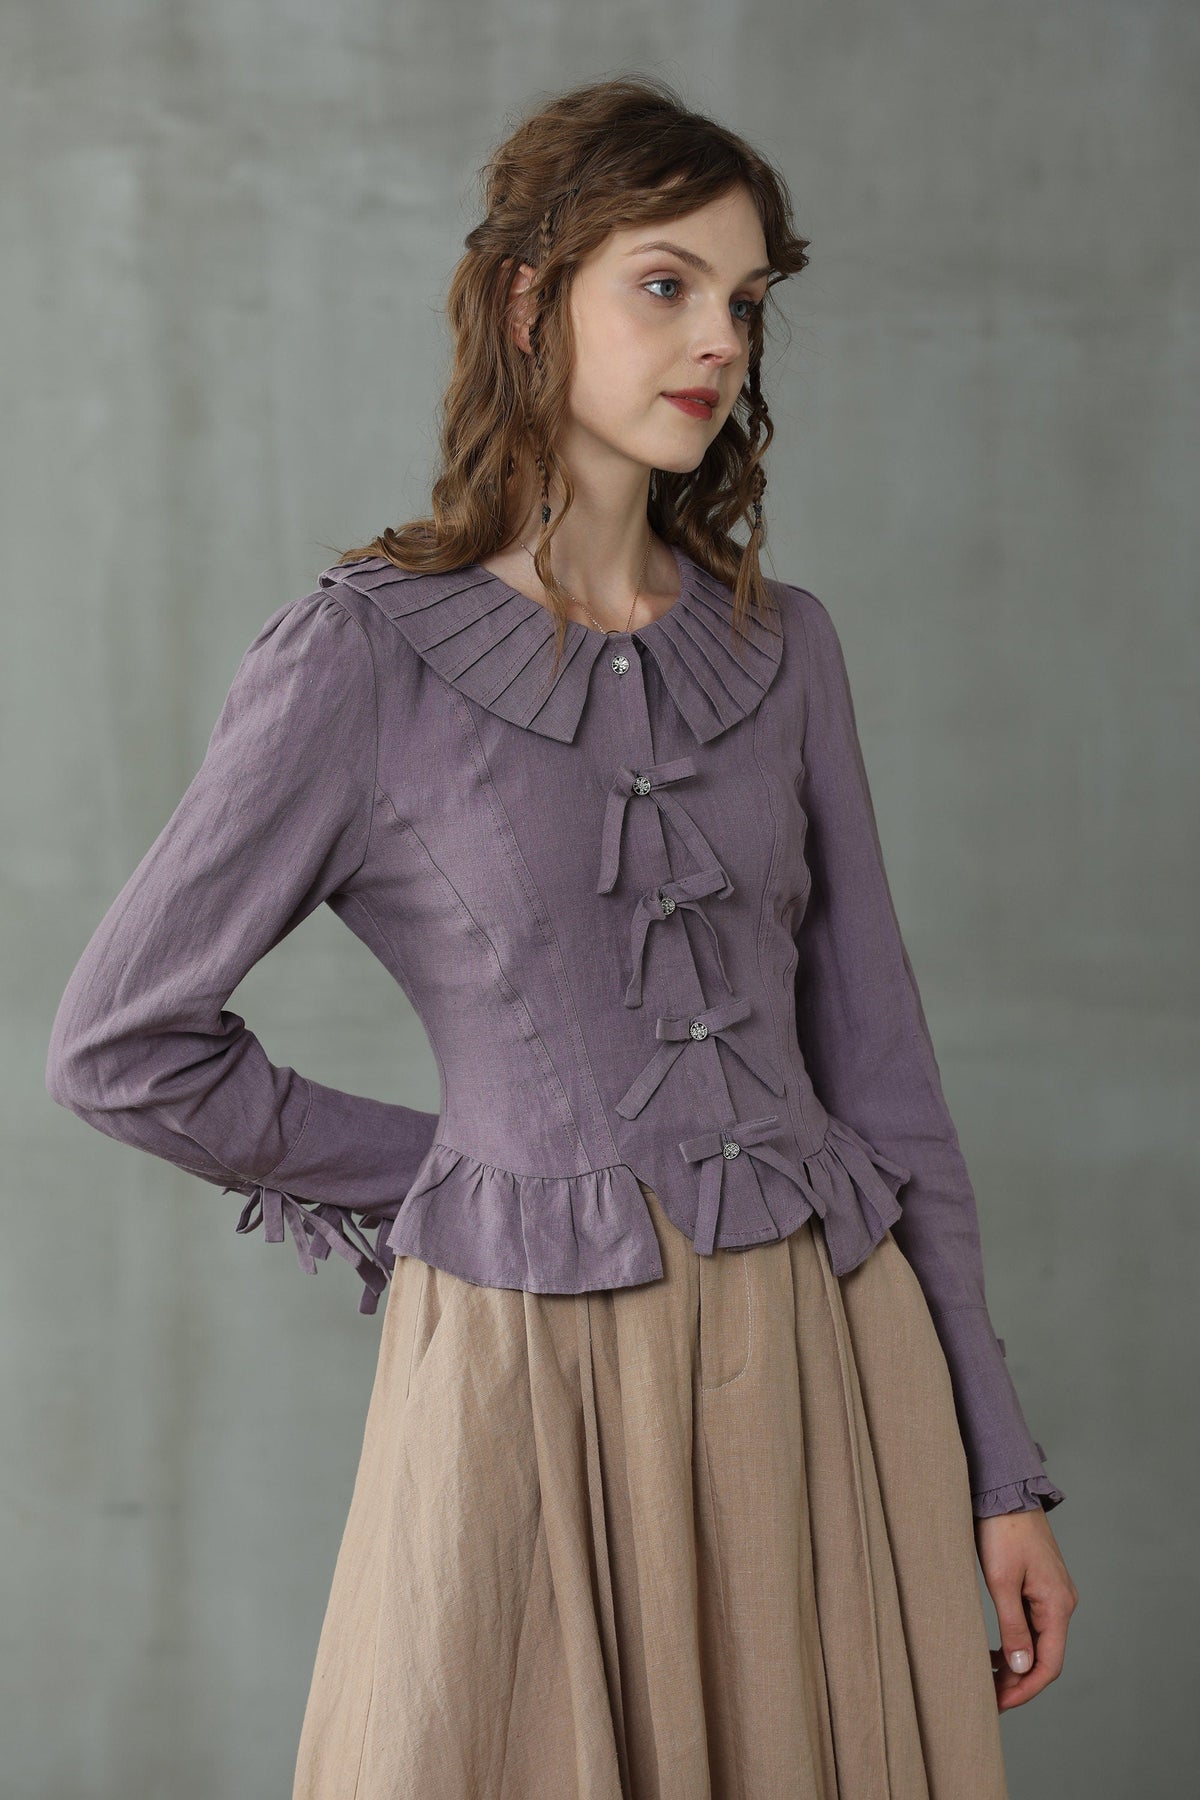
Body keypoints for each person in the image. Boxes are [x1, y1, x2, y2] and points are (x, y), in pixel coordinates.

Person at [45, 74, 1077, 1799]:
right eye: (665, 284)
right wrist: (462, 1172)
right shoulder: (360, 658)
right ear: (531, 302)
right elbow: (118, 1046)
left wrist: (1001, 1470)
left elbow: (887, 1079)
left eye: (744, 300)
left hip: (834, 1362)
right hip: (536, 1370)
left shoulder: (788, 650)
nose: (719, 339)